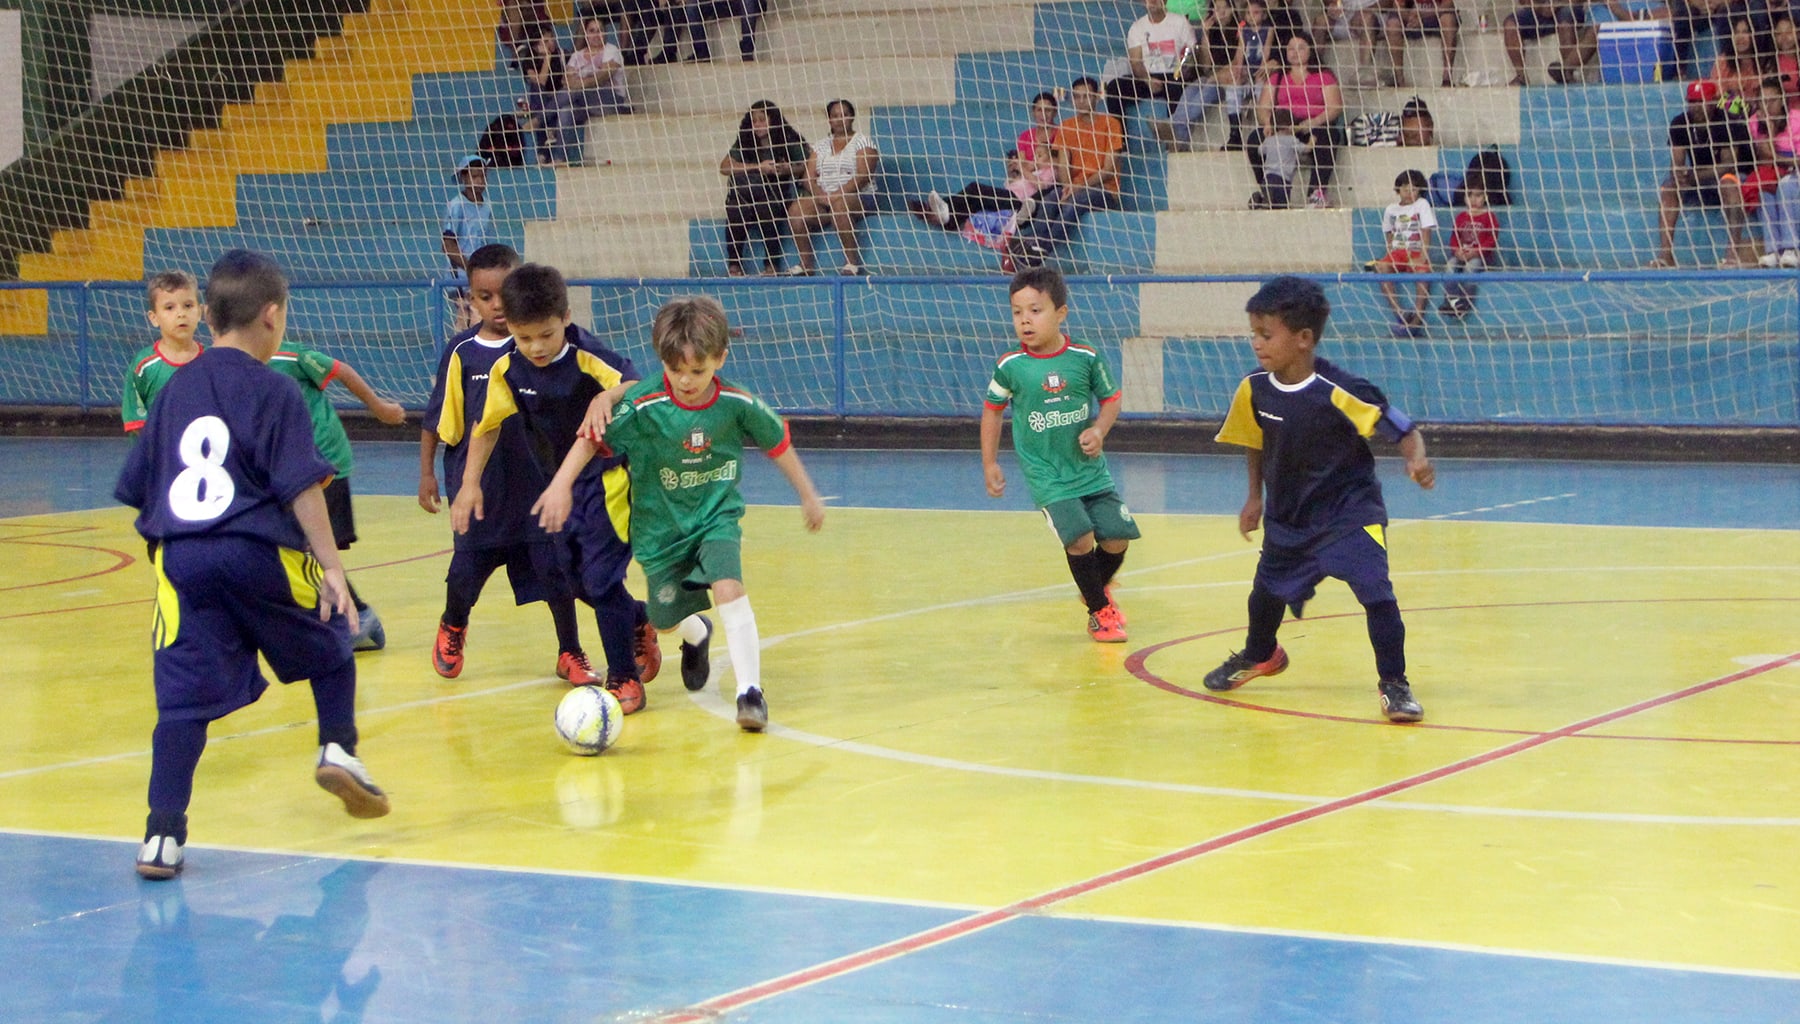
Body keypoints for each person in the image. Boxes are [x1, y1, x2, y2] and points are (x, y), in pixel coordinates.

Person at [114, 249, 390, 880]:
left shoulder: (174, 389)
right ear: (272, 316)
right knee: (331, 645)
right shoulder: (274, 388)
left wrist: (174, 563)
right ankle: (339, 750)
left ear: (207, 317)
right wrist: (333, 568)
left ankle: (162, 836)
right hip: (256, 550)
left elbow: (138, 485)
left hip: (180, 558)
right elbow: (301, 485)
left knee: (180, 706)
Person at [571, 295, 827, 732]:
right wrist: (563, 480)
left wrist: (808, 494)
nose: (687, 381)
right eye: (676, 371)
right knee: (665, 620)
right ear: (662, 363)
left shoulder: (736, 403)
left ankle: (751, 692)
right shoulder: (646, 404)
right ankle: (697, 634)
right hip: (661, 528)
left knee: (729, 586)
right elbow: (595, 438)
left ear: (720, 358)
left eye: (698, 370)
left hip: (716, 516)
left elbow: (777, 442)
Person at [420, 245, 658, 686]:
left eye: (545, 336)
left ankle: (621, 674)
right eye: (525, 338)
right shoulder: (507, 367)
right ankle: (637, 620)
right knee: (564, 576)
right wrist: (469, 483)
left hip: (604, 483)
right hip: (553, 487)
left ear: (565, 319)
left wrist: (608, 396)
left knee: (599, 578)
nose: (536, 347)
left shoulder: (586, 355)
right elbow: (486, 425)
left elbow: (639, 386)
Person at [1206, 275, 1435, 724]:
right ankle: (1260, 654)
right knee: (1264, 596)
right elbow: (1254, 440)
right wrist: (1254, 497)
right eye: (1253, 333)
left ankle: (1395, 683)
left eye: (1266, 334)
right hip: (1290, 517)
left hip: (1350, 513)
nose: (1256, 343)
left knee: (1376, 594)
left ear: (1304, 339)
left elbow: (1403, 429)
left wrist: (1416, 460)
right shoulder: (1254, 388)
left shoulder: (1341, 390)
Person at [980, 267, 1138, 643]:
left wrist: (1098, 430)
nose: (1025, 321)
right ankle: (1100, 612)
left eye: (1035, 310)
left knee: (1116, 537)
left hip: (1089, 469)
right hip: (1047, 473)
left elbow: (1111, 399)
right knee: (1080, 538)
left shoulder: (1084, 356)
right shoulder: (1010, 366)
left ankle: (1093, 587)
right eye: (1017, 313)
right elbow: (992, 410)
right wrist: (989, 462)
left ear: (1060, 313)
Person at [269, 341, 408, 651]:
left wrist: (380, 409)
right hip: (284, 466)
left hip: (323, 462)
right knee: (295, 547)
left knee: (310, 547)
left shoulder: (293, 356)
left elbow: (342, 371)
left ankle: (356, 617)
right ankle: (345, 618)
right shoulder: (235, 364)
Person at [1004, 77, 1126, 269]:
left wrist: (1076, 187)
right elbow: (1062, 165)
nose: (1081, 101)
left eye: (1086, 96)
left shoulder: (1111, 124)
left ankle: (1038, 249)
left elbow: (1108, 171)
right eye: (1077, 97)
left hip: (1103, 190)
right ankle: (1035, 247)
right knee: (1050, 200)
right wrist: (1069, 186)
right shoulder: (1067, 126)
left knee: (1074, 203)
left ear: (1096, 98)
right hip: (1074, 187)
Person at [1651, 79, 1758, 267]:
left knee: (1729, 183)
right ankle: (1666, 255)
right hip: (1698, 179)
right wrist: (1679, 174)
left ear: (1713, 101)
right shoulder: (1680, 123)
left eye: (1701, 102)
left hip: (1725, 177)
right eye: (1692, 102)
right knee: (1668, 187)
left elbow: (1729, 165)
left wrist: (1694, 176)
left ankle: (1732, 253)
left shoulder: (1727, 122)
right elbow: (1676, 162)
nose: (1696, 107)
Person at [1247, 31, 1344, 209]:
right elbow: (1263, 107)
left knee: (1329, 137)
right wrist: (1269, 123)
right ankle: (1267, 190)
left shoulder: (1324, 75)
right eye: (1290, 48)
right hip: (1282, 127)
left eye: (1300, 48)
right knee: (1254, 140)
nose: (1294, 52)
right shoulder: (1278, 76)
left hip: (1312, 125)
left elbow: (1335, 106)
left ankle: (1316, 193)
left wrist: (1313, 122)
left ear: (1310, 51)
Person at [785, 98, 880, 276]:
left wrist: (836, 194)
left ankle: (851, 262)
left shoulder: (863, 142)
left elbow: (863, 176)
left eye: (844, 115)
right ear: (829, 119)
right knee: (796, 210)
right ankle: (806, 264)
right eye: (835, 116)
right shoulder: (820, 145)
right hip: (824, 198)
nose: (839, 119)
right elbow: (808, 178)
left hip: (857, 197)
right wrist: (820, 195)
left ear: (851, 117)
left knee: (840, 206)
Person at [719, 99, 809, 276]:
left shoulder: (787, 139)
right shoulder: (745, 142)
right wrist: (758, 167)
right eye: (754, 121)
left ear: (772, 120)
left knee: (764, 204)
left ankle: (771, 264)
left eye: (762, 120)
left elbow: (807, 163)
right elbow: (725, 167)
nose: (758, 124)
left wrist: (786, 169)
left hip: (778, 198)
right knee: (736, 206)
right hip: (747, 197)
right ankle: (734, 264)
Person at [1105, 0, 1205, 151]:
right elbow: (1136, 61)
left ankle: (1177, 140)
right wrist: (1147, 80)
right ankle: (1120, 141)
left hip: (1175, 74)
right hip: (1148, 77)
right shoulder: (1137, 27)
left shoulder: (1180, 22)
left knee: (1177, 86)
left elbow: (1191, 53)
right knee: (1114, 87)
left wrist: (1182, 71)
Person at [122, 271, 204, 435]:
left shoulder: (213, 361)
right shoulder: (143, 366)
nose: (181, 313)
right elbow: (135, 422)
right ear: (154, 318)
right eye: (169, 308)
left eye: (188, 306)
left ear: (200, 312)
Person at [549, 17, 633, 167]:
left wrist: (581, 83)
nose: (596, 34)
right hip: (585, 103)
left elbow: (603, 76)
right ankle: (560, 159)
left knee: (577, 91)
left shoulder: (611, 50)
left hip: (610, 100)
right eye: (592, 31)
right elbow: (565, 81)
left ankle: (541, 118)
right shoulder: (577, 55)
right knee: (566, 110)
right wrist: (578, 83)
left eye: (599, 30)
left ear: (605, 33)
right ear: (586, 34)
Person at [1366, 168, 1436, 336]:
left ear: (1420, 190)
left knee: (1424, 275)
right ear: (1398, 190)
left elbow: (1426, 231)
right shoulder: (1391, 209)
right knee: (1382, 269)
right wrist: (1389, 251)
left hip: (1415, 252)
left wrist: (1423, 256)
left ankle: (1417, 319)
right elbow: (1389, 233)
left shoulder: (1422, 205)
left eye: (1414, 189)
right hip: (1398, 253)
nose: (1409, 193)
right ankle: (1400, 313)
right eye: (1405, 189)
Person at [910, 149, 1040, 231]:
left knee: (974, 188)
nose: (1012, 165)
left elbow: (1042, 187)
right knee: (974, 203)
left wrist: (1022, 169)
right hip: (1009, 207)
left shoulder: (1038, 174)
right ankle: (945, 219)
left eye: (1015, 161)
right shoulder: (1008, 182)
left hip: (1024, 205)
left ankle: (943, 207)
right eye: (1010, 163)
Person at [1501, 0, 1595, 85]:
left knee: (1565, 21)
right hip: (1541, 10)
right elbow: (1523, 2)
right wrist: (1539, 7)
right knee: (1510, 24)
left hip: (1569, 6)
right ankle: (1521, 77)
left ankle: (1568, 73)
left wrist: (1558, 4)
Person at [1441, 181, 1500, 314]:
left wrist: (1476, 252)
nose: (1473, 199)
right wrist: (1457, 251)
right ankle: (1451, 301)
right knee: (1449, 267)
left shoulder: (1489, 217)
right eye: (1469, 195)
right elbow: (1454, 237)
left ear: (1485, 197)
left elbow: (1492, 240)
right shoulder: (1461, 216)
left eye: (1478, 195)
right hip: (1462, 254)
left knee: (1470, 269)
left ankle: (1465, 303)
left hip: (1480, 257)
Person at [1374, 0, 1460, 88]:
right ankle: (1399, 80)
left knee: (1448, 19)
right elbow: (1397, 6)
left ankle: (1447, 78)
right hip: (1411, 17)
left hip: (1434, 15)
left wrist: (1422, 15)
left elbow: (1448, 4)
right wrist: (1411, 17)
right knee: (1392, 24)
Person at [442, 156, 493, 275]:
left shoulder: (487, 204)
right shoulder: (456, 205)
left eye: (483, 176)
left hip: (480, 273)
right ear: (464, 178)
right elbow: (448, 245)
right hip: (459, 275)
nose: (480, 181)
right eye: (475, 177)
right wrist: (469, 267)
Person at [1251, 108, 1308, 207]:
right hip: (1282, 179)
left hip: (1268, 177)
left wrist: (1267, 137)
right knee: (1282, 205)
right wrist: (1312, 141)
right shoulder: (1291, 140)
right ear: (1290, 126)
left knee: (1271, 200)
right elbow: (1305, 149)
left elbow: (1260, 151)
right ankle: (1266, 201)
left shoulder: (1270, 140)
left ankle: (1261, 199)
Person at [1016, 91, 1062, 193]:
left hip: (1052, 187)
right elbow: (1022, 165)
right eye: (1039, 110)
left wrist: (1034, 165)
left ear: (1055, 112)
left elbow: (1061, 165)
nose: (1043, 115)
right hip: (1027, 184)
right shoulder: (1025, 136)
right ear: (1033, 112)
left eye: (1048, 110)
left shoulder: (1062, 134)